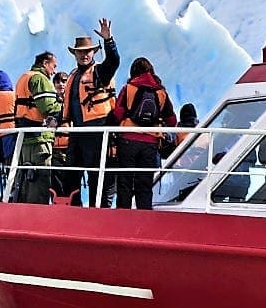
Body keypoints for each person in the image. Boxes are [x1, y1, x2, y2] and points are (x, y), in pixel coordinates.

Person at [62, 18, 120, 207]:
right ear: (75, 54)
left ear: (93, 52)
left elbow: (113, 62)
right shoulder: (73, 75)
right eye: (80, 52)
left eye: (87, 52)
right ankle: (73, 208)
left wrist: (109, 40)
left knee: (97, 174)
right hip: (78, 133)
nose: (84, 55)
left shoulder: (100, 72)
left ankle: (99, 210)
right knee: (70, 173)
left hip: (97, 130)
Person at [108, 57, 177, 209]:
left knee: (125, 181)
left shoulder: (129, 88)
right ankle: (144, 216)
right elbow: (172, 120)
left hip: (128, 139)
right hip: (150, 142)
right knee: (144, 183)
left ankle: (123, 214)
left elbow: (118, 113)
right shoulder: (160, 91)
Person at [12, 51, 62, 204]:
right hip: (39, 138)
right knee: (40, 181)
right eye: (53, 66)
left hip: (25, 137)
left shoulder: (23, 77)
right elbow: (47, 107)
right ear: (45, 63)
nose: (53, 71)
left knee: (27, 179)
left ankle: (23, 213)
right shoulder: (40, 78)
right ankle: (37, 215)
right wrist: (64, 108)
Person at [51, 72, 71, 199]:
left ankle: (75, 208)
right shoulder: (50, 102)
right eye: (58, 82)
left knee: (72, 183)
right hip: (55, 149)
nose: (61, 84)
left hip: (71, 148)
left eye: (64, 81)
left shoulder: (74, 100)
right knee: (56, 184)